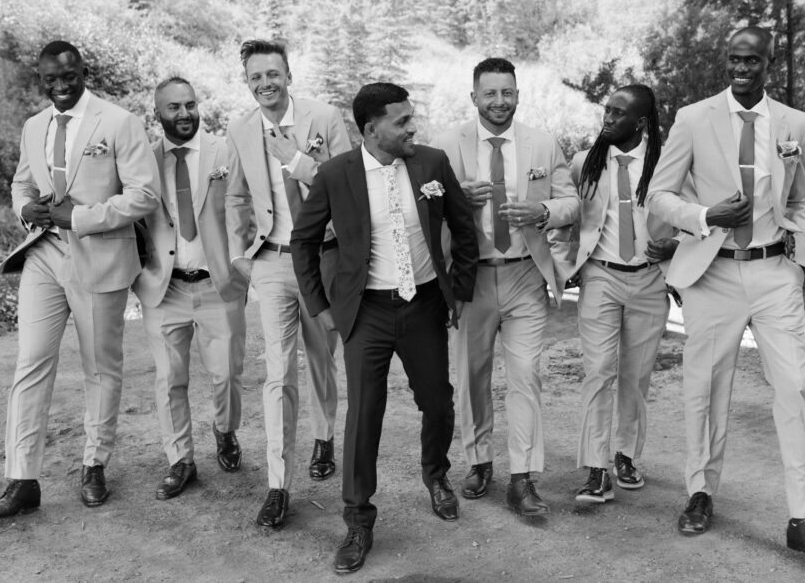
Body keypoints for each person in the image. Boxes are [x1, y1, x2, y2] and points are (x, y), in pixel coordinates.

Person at [646, 27, 805, 562]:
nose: (741, 68)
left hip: (775, 272)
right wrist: (705, 215)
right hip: (713, 272)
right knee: (706, 388)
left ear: (769, 62)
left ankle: (803, 517)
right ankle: (700, 493)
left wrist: (798, 257)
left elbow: (803, 197)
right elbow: (658, 195)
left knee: (795, 385)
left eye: (752, 60)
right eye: (734, 59)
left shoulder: (796, 123)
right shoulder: (694, 118)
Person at [291, 82, 478, 575]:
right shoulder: (336, 174)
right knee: (364, 414)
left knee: (438, 401)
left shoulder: (432, 163)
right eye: (402, 121)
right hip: (366, 311)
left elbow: (463, 226)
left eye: (411, 118)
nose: (412, 127)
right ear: (372, 129)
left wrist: (460, 290)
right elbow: (303, 241)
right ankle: (358, 520)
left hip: (424, 304)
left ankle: (436, 474)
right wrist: (320, 306)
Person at [0, 40, 160, 517]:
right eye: (50, 79)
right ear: (40, 79)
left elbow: (144, 195)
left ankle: (94, 465)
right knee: (31, 362)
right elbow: (22, 182)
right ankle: (22, 479)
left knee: (100, 367)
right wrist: (26, 208)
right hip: (43, 254)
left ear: (83, 72)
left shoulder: (119, 122)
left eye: (68, 76)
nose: (60, 85)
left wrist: (78, 217)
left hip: (100, 257)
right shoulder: (34, 125)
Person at [434, 58, 578, 516]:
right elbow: (423, 206)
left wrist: (543, 213)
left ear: (518, 95)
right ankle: (479, 461)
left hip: (524, 275)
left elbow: (571, 202)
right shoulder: (446, 145)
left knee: (525, 375)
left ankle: (523, 478)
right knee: (472, 376)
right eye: (490, 93)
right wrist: (456, 198)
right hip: (470, 277)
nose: (499, 101)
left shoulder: (542, 143)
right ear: (474, 97)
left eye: (507, 92)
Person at [224, 39, 350, 529]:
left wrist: (297, 159)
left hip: (323, 258)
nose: (265, 84)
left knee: (322, 357)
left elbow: (350, 187)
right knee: (278, 373)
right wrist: (240, 256)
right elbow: (236, 196)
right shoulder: (240, 129)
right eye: (255, 77)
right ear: (247, 83)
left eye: (272, 74)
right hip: (272, 261)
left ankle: (324, 435)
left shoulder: (325, 118)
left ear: (289, 75)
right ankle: (278, 485)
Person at [132, 77, 248, 500]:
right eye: (174, 107)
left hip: (219, 285)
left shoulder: (225, 152)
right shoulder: (141, 159)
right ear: (157, 113)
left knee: (227, 374)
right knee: (169, 379)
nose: (184, 114)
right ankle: (180, 460)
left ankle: (225, 430)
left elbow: (247, 206)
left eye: (190, 105)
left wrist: (243, 262)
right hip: (165, 288)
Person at [565, 84, 677, 505]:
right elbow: (564, 213)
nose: (608, 118)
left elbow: (691, 214)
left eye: (617, 113)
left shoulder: (666, 164)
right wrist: (567, 263)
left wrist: (677, 246)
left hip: (650, 281)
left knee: (636, 375)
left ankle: (626, 455)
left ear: (641, 122)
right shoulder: (585, 163)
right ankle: (596, 468)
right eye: (606, 110)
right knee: (598, 370)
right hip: (601, 277)